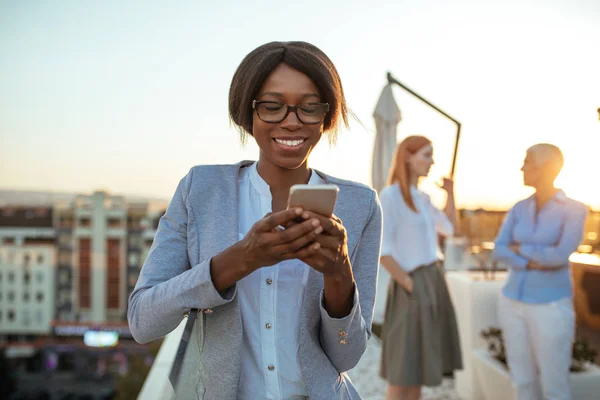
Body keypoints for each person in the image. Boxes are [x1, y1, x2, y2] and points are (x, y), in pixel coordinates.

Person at [127, 41, 383, 400]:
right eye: (272, 106)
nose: (291, 121)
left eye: (309, 107)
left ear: (326, 115)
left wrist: (338, 272)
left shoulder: (360, 206)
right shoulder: (200, 189)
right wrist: (240, 260)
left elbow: (347, 354)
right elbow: (142, 321)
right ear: (247, 112)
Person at [493, 143, 588, 400]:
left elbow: (559, 256)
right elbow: (500, 249)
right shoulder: (518, 208)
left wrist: (520, 247)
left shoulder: (575, 210)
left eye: (528, 162)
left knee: (554, 385)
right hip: (512, 301)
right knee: (522, 382)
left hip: (551, 306)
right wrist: (533, 259)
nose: (522, 167)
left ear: (547, 168)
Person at [378, 135, 463, 400]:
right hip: (410, 283)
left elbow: (451, 230)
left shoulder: (423, 198)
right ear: (407, 156)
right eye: (426, 155)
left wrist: (450, 194)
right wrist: (409, 284)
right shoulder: (390, 196)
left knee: (418, 372)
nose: (432, 161)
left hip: (433, 280)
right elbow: (383, 251)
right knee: (402, 372)